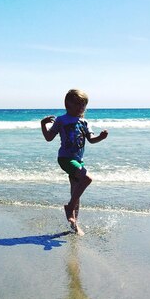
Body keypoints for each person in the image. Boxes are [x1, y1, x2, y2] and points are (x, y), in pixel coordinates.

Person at [40, 89, 108, 235]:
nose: (80, 107)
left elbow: (91, 139)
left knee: (76, 191)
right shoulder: (61, 120)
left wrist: (101, 138)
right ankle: (69, 208)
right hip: (65, 158)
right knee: (87, 178)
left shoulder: (84, 122)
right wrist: (42, 124)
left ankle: (74, 224)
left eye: (83, 105)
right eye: (77, 104)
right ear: (67, 105)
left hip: (78, 160)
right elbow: (48, 138)